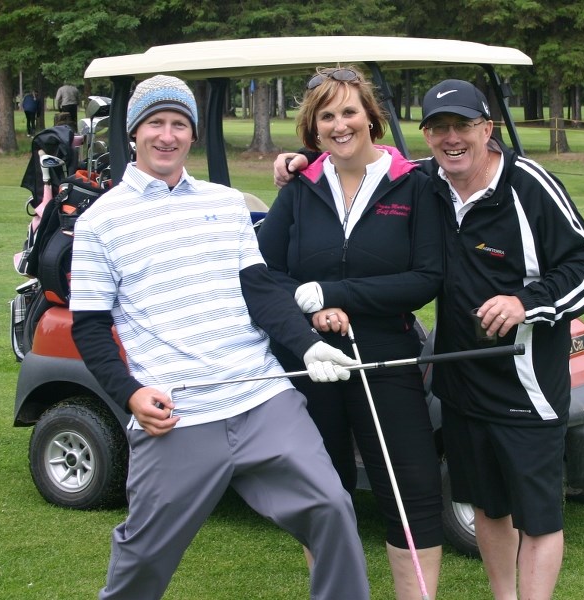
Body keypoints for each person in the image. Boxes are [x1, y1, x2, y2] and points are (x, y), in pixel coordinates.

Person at [273, 78, 584, 600]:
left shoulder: (527, 184)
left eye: (463, 126)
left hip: (527, 381)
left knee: (538, 517)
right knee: (487, 506)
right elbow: (361, 158)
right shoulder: (426, 182)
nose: (451, 138)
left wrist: (527, 303)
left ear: (487, 129)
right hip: (461, 382)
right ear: (425, 135)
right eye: (438, 128)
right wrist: (303, 159)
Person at [69, 74, 370, 600]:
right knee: (145, 554)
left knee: (331, 506)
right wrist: (131, 395)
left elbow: (261, 291)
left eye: (179, 124)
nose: (168, 136)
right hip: (177, 414)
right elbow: (90, 327)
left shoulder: (226, 203)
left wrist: (307, 345)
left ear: (192, 134)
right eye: (156, 124)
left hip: (260, 399)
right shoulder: (100, 222)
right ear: (134, 132)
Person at [258, 66, 444, 600]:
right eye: (327, 116)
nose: (340, 125)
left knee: (410, 490)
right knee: (324, 491)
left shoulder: (414, 184)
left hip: (385, 355)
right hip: (308, 358)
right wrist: (309, 314)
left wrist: (338, 296)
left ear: (371, 117)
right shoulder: (300, 186)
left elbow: (425, 278)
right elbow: (266, 274)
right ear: (313, 129)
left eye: (349, 112)